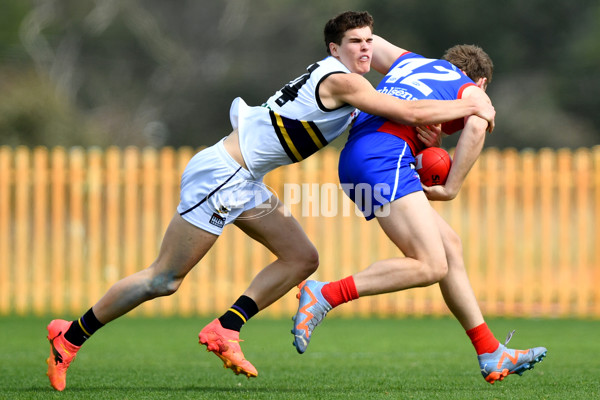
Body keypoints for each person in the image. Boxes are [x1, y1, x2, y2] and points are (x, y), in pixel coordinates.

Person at [45, 11, 496, 391]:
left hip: (247, 179)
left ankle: (226, 328)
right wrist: (471, 105)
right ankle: (70, 336)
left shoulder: (352, 84)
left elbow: (397, 112)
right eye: (354, 43)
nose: (364, 50)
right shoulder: (346, 83)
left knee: (302, 257)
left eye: (367, 42)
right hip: (222, 177)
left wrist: (424, 130)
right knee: (163, 279)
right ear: (333, 49)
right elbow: (411, 111)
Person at [292, 37, 547, 384]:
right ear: (482, 81)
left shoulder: (410, 61)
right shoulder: (473, 90)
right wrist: (451, 187)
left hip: (354, 159)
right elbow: (476, 123)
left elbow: (367, 41)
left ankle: (490, 350)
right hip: (385, 157)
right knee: (431, 264)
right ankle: (325, 294)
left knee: (449, 247)